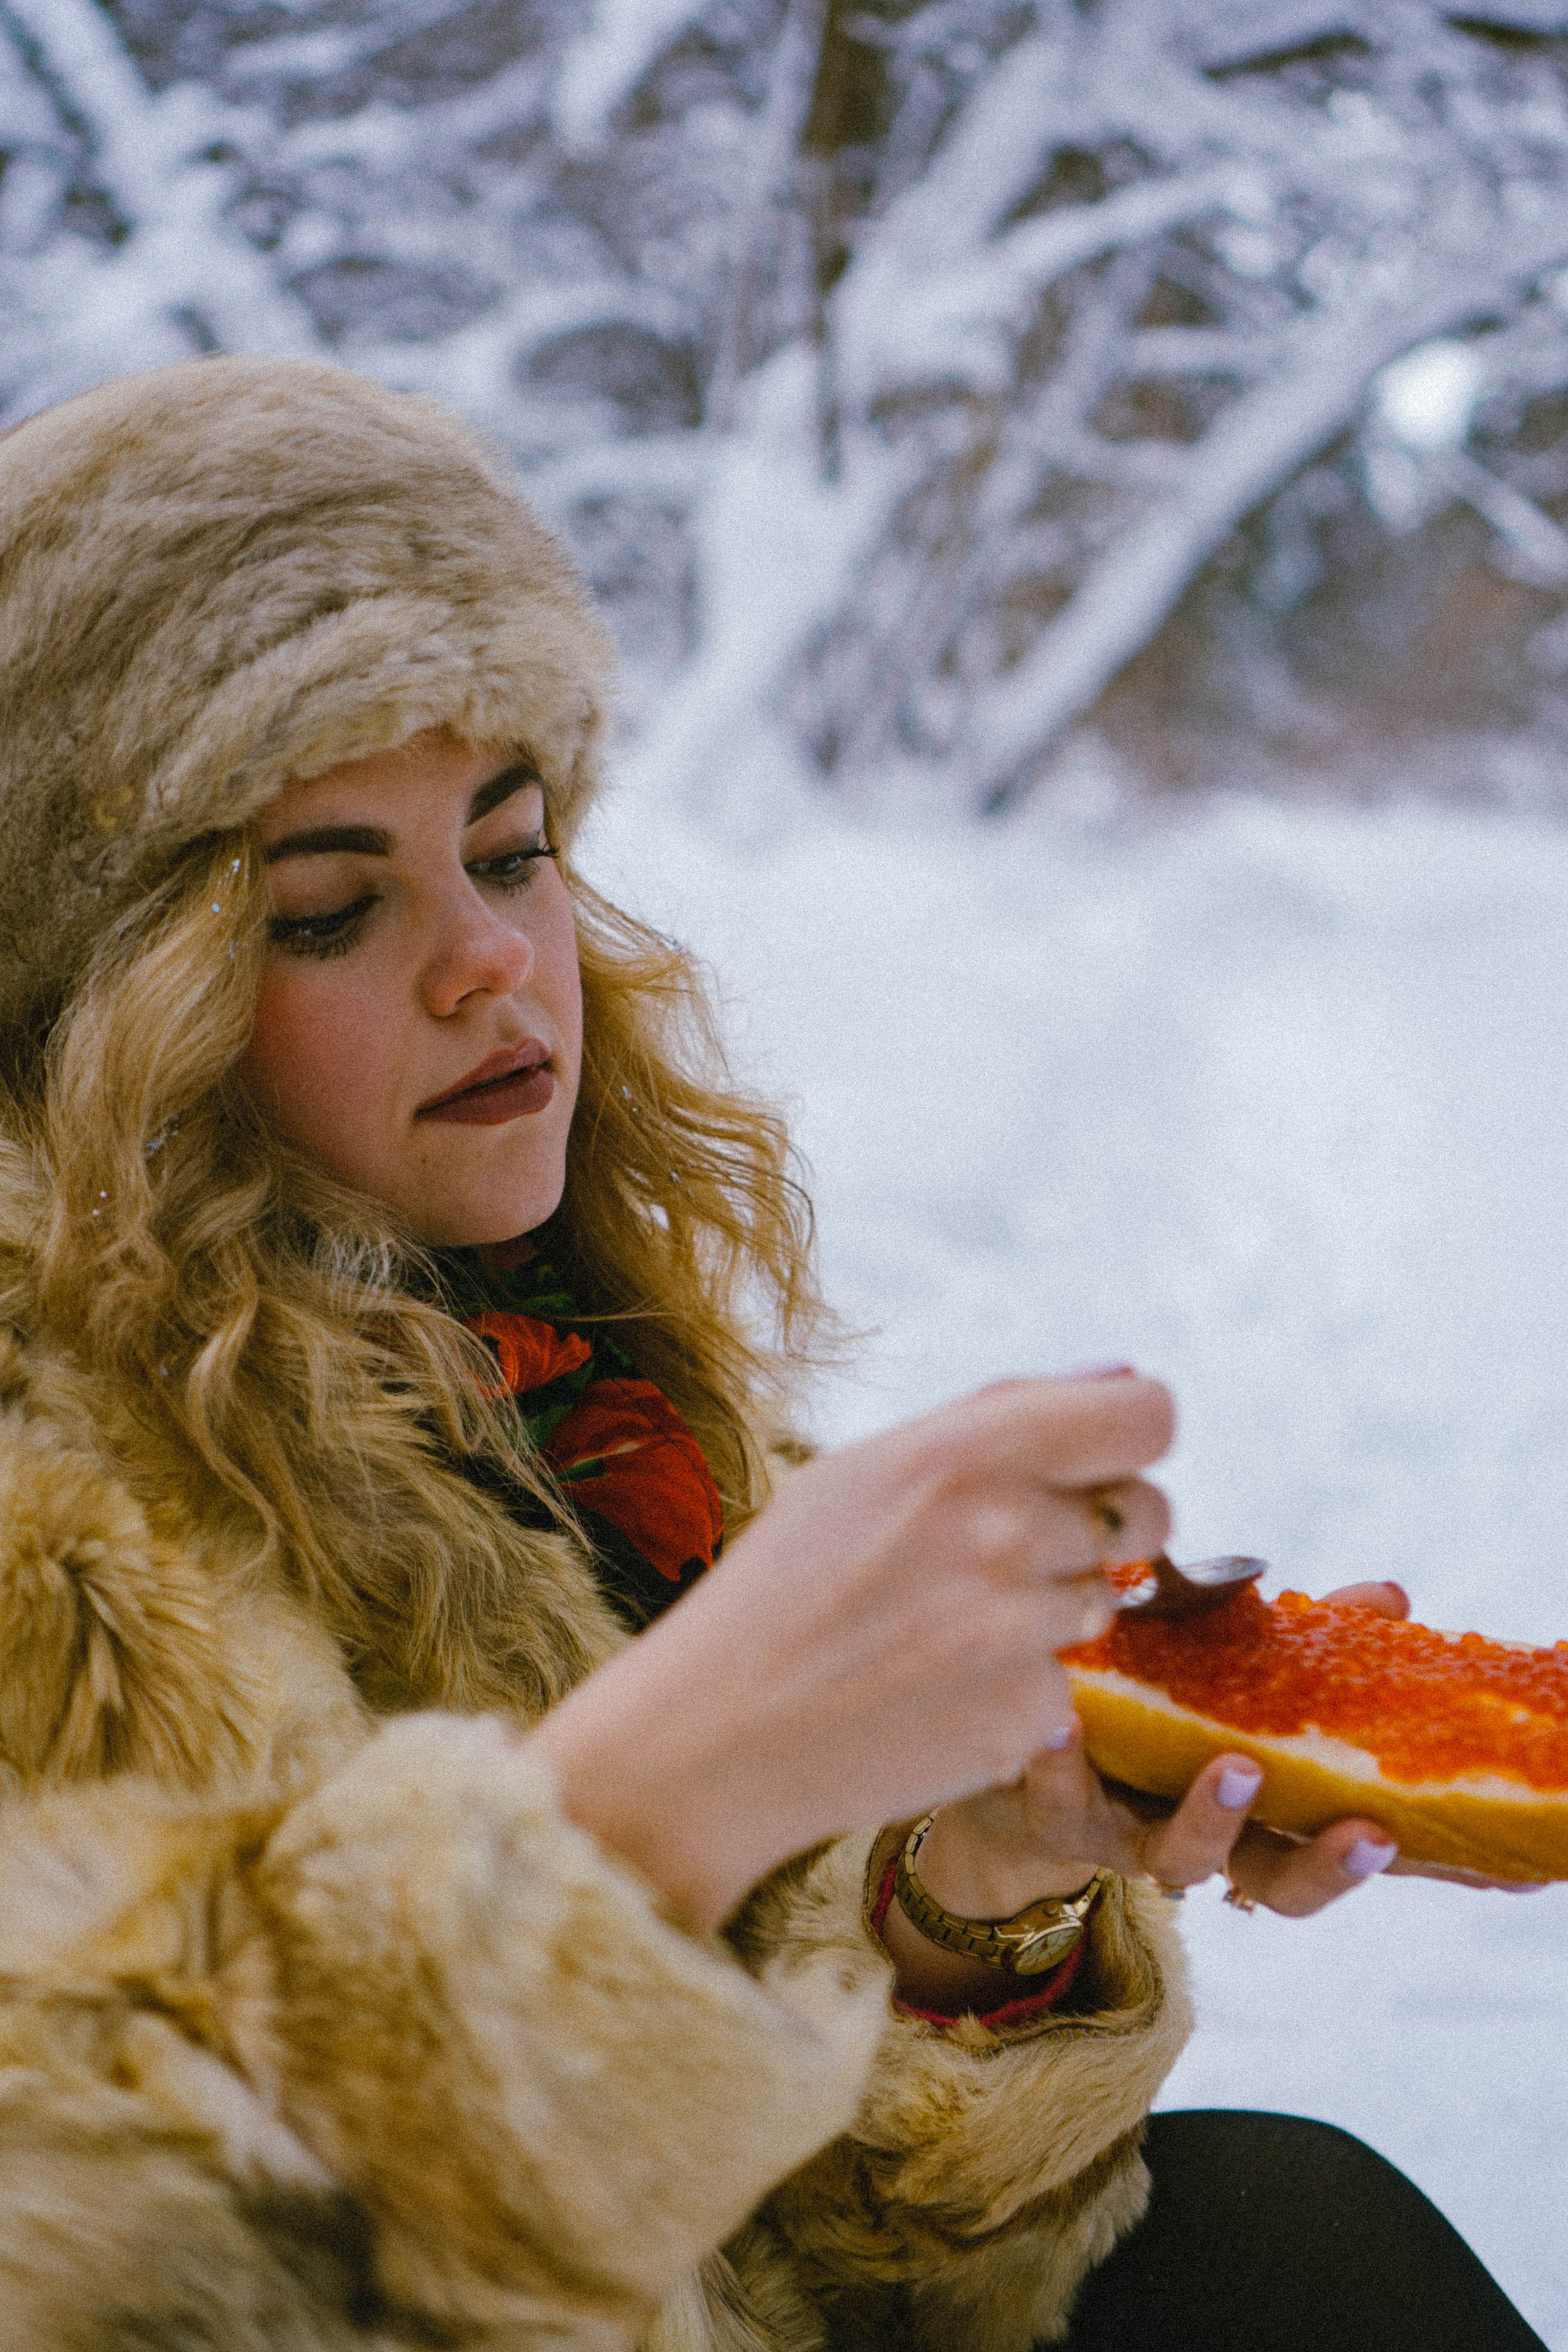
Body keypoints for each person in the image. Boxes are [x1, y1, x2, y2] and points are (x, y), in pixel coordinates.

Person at [0, 356, 1543, 2352]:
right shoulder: (57, 1527)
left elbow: (814, 2253)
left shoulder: (569, 1386)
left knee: (1292, 2228)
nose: (486, 958)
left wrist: (970, 1896)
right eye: (325, 910)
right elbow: (114, 2269)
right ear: (124, 1013)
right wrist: (641, 1811)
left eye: (509, 845)